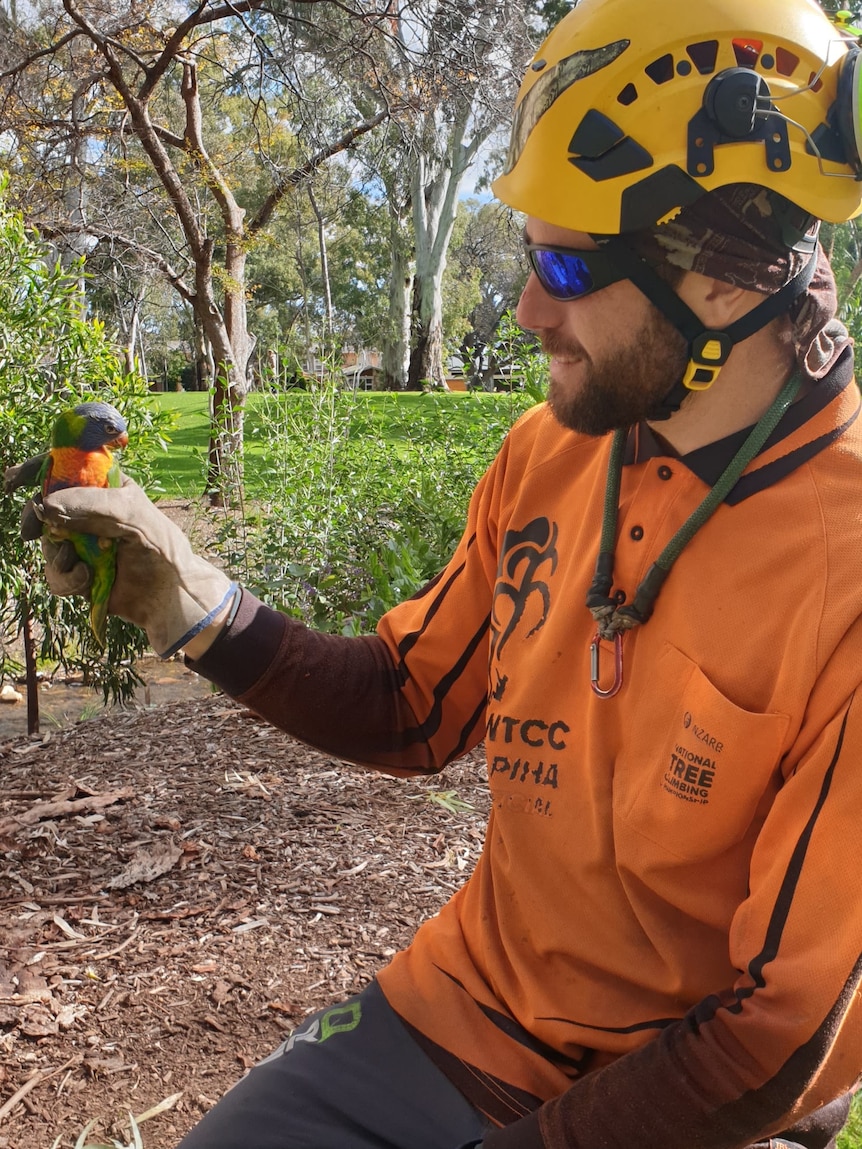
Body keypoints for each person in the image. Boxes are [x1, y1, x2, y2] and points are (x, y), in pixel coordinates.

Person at [14, 0, 862, 1146]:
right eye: (528, 256)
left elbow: (776, 1032)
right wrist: (188, 598)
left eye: (564, 263)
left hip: (705, 1100)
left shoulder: (846, 563)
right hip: (463, 1016)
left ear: (721, 277)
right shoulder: (549, 452)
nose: (524, 310)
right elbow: (414, 706)